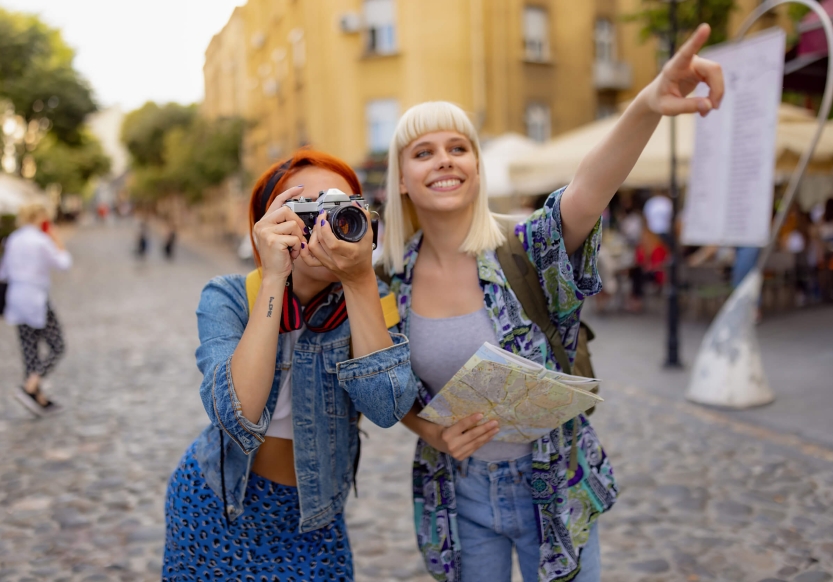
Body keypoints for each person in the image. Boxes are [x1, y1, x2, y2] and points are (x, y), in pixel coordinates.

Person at [379, 24, 723, 582]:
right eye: (424, 152)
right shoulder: (387, 280)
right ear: (400, 179)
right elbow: (381, 388)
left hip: (554, 482)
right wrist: (430, 431)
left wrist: (648, 104)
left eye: (458, 147)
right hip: (458, 493)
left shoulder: (526, 247)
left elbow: (589, 188)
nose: (444, 160)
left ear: (475, 166)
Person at [162, 150, 417, 580]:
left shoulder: (370, 301)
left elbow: (386, 407)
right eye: (309, 210)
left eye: (340, 209)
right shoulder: (227, 297)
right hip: (217, 506)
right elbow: (236, 414)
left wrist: (358, 280)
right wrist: (275, 276)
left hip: (316, 517)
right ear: (269, 225)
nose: (324, 227)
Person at [0, 202, 71, 416]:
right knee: (57, 345)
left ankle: (37, 398)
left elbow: (4, 272)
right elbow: (63, 263)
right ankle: (30, 387)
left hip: (16, 297)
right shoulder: (41, 241)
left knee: (29, 349)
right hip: (36, 298)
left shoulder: (13, 239)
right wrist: (57, 239)